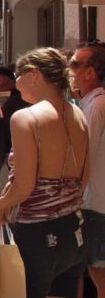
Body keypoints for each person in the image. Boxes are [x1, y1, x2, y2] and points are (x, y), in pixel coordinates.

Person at [0, 47, 89, 298]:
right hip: (73, 230)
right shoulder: (78, 113)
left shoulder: (25, 118)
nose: (15, 83)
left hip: (37, 231)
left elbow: (24, 185)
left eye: (18, 74)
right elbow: (83, 177)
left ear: (34, 75)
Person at [69, 41, 105, 295]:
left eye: (73, 65)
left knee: (97, 269)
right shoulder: (92, 105)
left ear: (90, 72)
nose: (69, 70)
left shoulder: (95, 107)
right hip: (95, 200)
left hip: (95, 202)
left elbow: (84, 157)